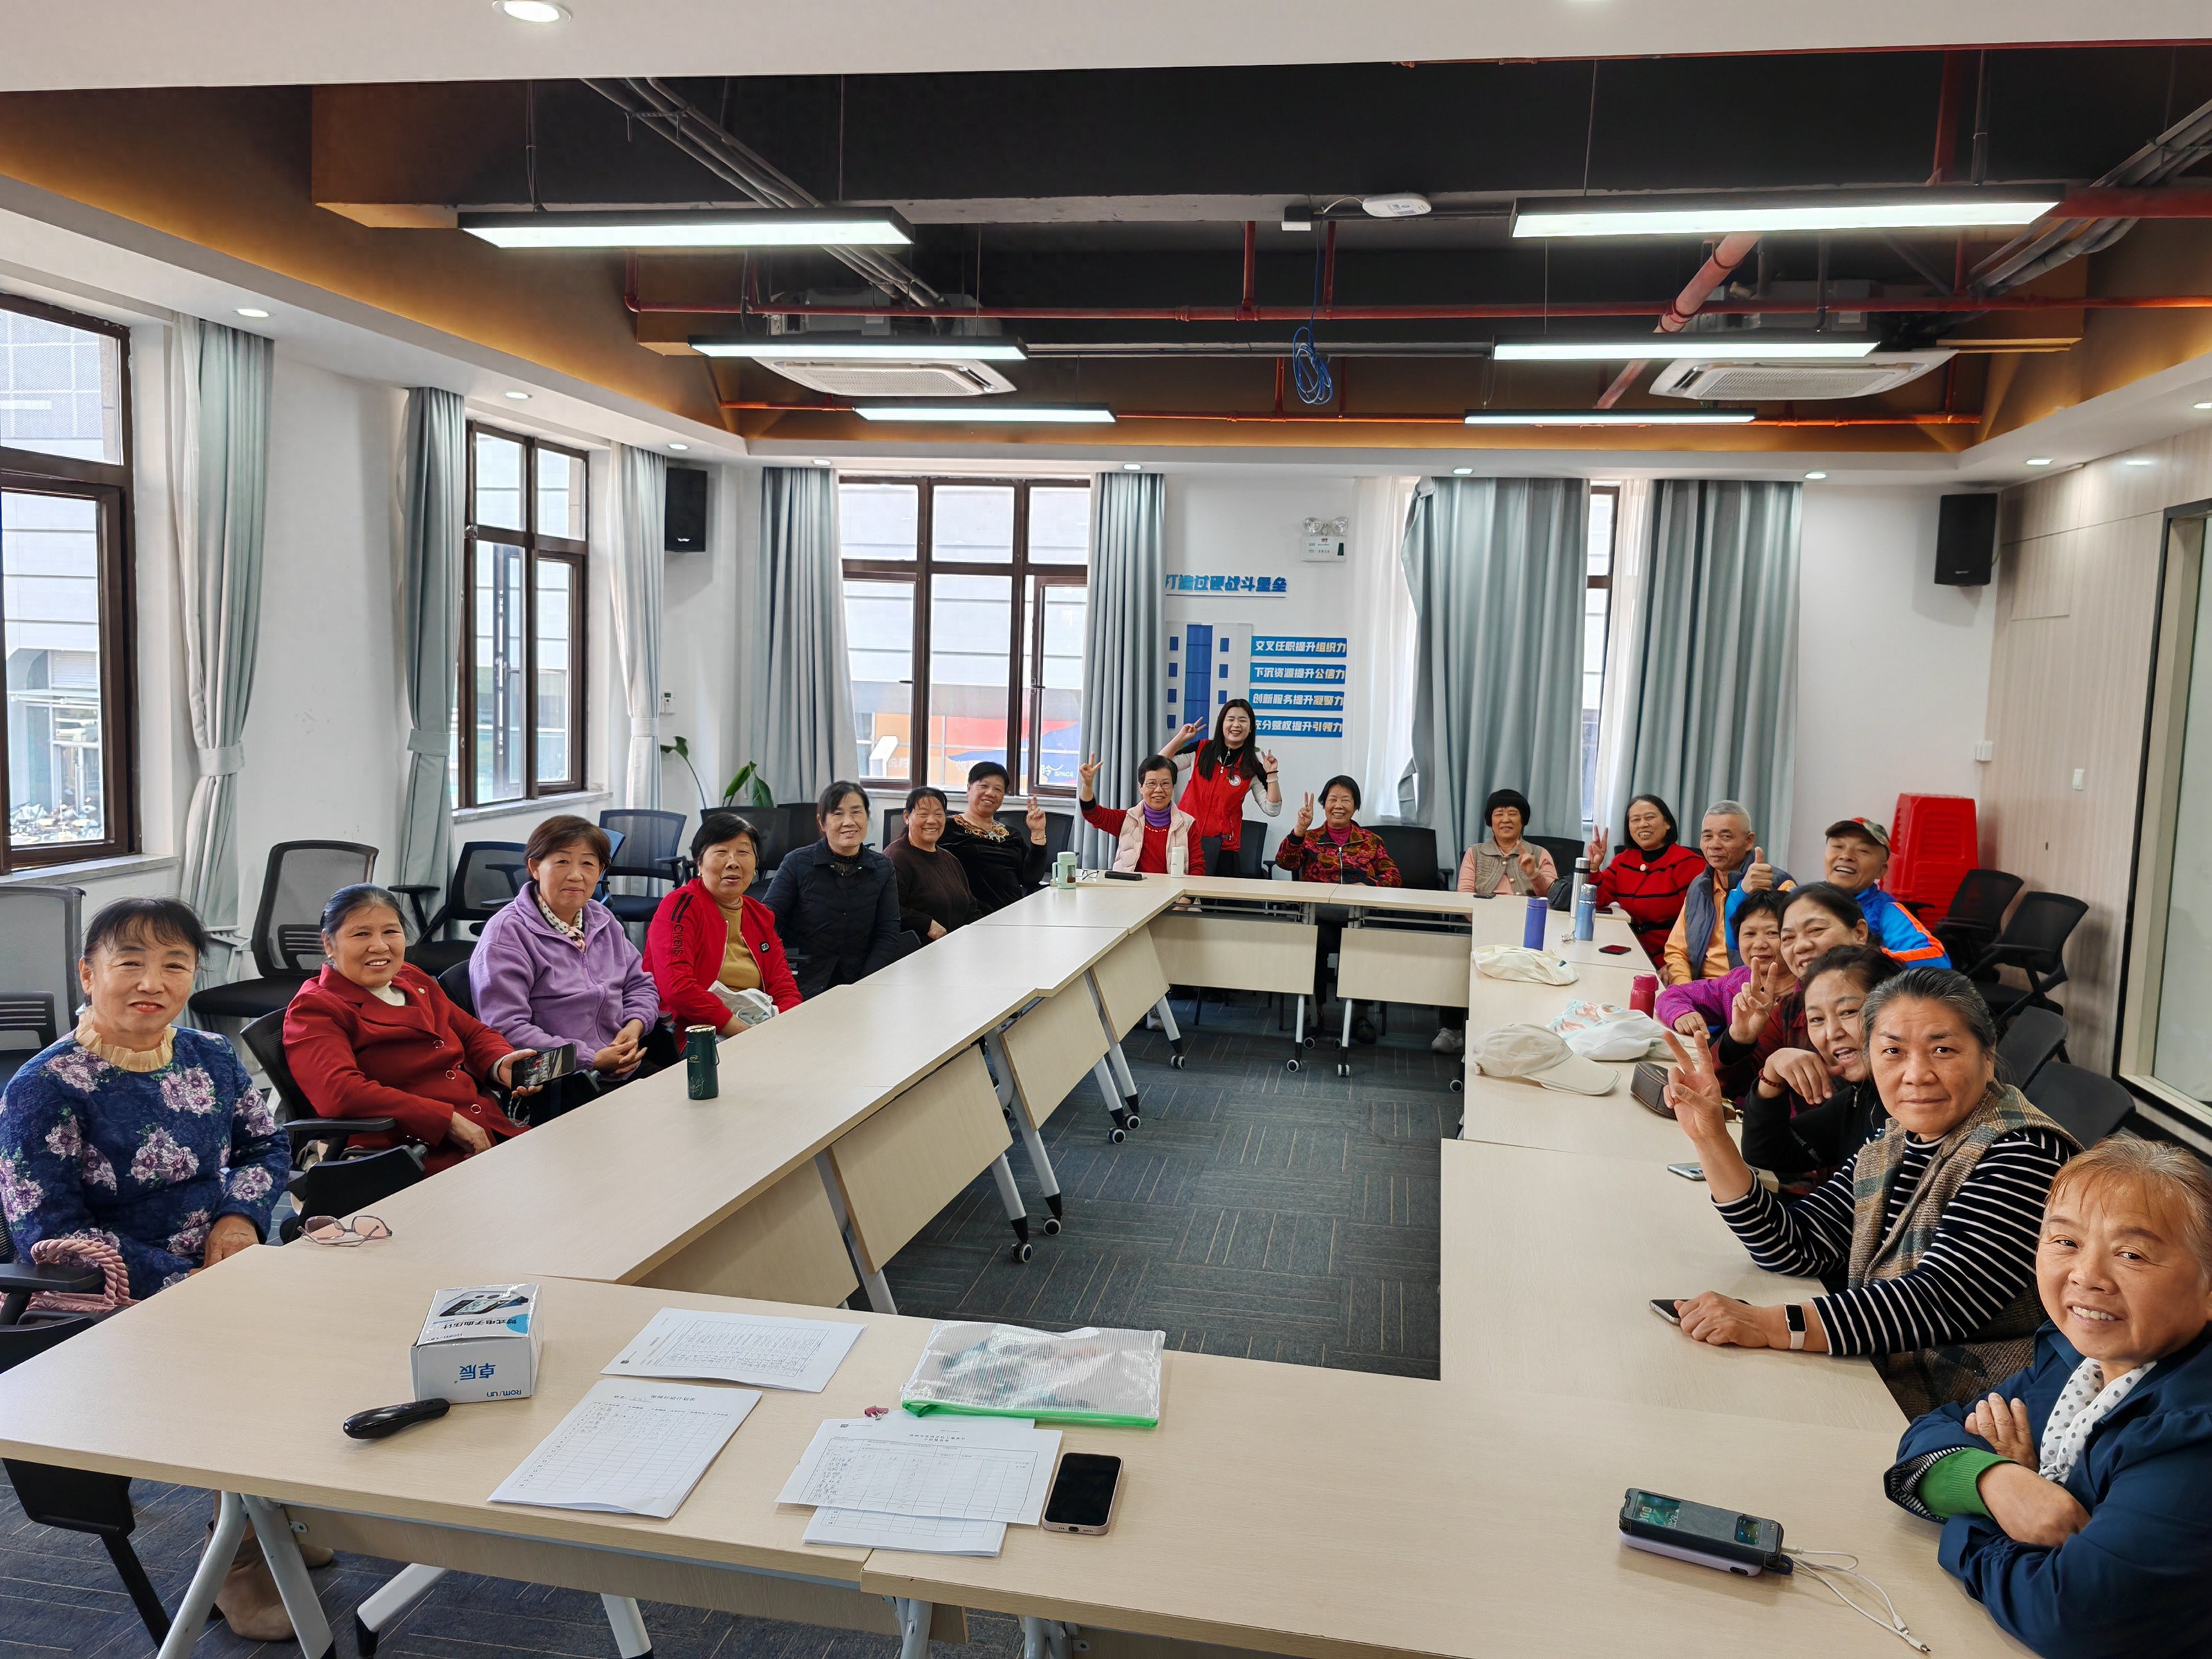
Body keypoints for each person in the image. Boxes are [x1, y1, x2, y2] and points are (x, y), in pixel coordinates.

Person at [0, 898, 298, 1636]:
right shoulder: (45, 1086)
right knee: (254, 1361)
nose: (152, 982)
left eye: (175, 965)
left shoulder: (211, 1054)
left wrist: (239, 1219)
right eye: (130, 962)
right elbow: (47, 1231)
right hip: (105, 1287)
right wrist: (182, 1281)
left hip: (224, 1262)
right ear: (88, 973)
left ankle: (270, 1519)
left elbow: (267, 1145)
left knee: (326, 1325)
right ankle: (236, 1560)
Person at [1661, 968, 2077, 1415]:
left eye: (1942, 1050)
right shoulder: (1897, 1137)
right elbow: (1795, 1246)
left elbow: (1936, 1302)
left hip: (1969, 1414)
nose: (1916, 1074)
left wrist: (1768, 1324)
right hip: (1879, 1378)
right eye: (1893, 1051)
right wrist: (1711, 1138)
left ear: (1987, 1055)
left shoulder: (2025, 1153)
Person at [1884, 1136, 2212, 1658]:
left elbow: (2072, 1615)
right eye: (2065, 1242)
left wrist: (1974, 1524)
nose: (2086, 1275)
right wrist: (2000, 1483)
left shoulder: (2193, 1432)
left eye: (2131, 1254)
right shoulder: (2074, 1358)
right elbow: (1930, 1434)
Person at [284, 885, 535, 1173]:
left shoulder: (411, 978)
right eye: (361, 934)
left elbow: (471, 1033)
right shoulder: (315, 1008)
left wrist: (499, 1063)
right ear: (329, 943)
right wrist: (445, 1120)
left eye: (390, 931)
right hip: (407, 1152)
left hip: (485, 1126)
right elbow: (340, 1092)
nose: (380, 946)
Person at [468, 814, 664, 1121]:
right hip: (559, 1082)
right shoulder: (507, 934)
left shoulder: (601, 919)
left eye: (588, 864)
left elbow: (640, 984)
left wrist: (635, 1026)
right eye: (562, 862)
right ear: (535, 867)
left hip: (624, 1064)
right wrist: (591, 1058)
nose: (576, 875)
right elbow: (506, 1028)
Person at [1736, 944, 1902, 1192]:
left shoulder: (1921, 1107)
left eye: (1848, 1012)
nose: (1831, 1033)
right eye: (1816, 1019)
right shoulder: (1858, 1098)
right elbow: (1766, 1154)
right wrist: (1771, 1075)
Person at [1273, 776, 1404, 1044]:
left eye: (1346, 800)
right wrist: (1299, 830)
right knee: (1313, 942)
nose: (1339, 805)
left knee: (1365, 943)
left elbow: (1393, 875)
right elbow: (1284, 862)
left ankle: (1360, 1016)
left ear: (1355, 806)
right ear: (1324, 805)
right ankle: (1316, 1013)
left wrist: (1367, 885)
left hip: (1358, 917)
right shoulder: (1310, 838)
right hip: (1319, 916)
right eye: (1333, 799)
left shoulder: (1371, 841)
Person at [646, 812, 803, 1034]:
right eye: (721, 852)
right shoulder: (681, 906)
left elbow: (784, 986)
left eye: (743, 852)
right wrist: (742, 1031)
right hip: (695, 1032)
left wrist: (784, 1026)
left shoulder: (760, 915)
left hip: (759, 1026)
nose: (733, 863)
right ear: (699, 864)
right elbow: (677, 987)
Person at [1712, 882, 1873, 1098]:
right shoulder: (1789, 1010)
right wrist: (1739, 1039)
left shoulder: (1896, 997)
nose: (1801, 946)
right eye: (1788, 938)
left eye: (1816, 930)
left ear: (1860, 932)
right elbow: (1729, 1087)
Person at [1738, 817, 1949, 968]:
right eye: (1838, 847)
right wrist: (1744, 890)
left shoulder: (1887, 911)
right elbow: (1736, 939)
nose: (1846, 856)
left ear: (1882, 870)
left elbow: (1936, 959)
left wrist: (1861, 959)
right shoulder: (1797, 898)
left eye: (1863, 850)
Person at [764, 780, 905, 997]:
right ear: (822, 822)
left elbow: (888, 933)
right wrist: (781, 976)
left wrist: (865, 984)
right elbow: (768, 923)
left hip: (863, 982)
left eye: (856, 812)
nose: (849, 822)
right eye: (838, 814)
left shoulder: (882, 867)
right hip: (803, 982)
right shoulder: (796, 863)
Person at [1660, 800, 1791, 984]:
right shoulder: (1699, 886)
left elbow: (1791, 955)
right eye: (1708, 836)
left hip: (1749, 990)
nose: (1714, 845)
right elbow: (1676, 951)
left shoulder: (1778, 884)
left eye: (1726, 837)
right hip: (1700, 988)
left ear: (1749, 841)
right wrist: (1685, 988)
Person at [1653, 888, 1793, 1039]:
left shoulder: (1808, 991)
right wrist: (1682, 1014)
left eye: (1772, 933)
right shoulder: (1736, 983)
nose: (1759, 944)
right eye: (1750, 934)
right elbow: (1672, 995)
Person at [1162, 698, 1283, 874]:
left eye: (1243, 720)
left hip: (1223, 849)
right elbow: (1159, 766)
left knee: (1217, 893)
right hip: (1184, 839)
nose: (1236, 725)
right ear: (1222, 724)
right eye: (1231, 719)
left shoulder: (1253, 767)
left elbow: (1272, 809)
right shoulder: (1201, 750)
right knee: (1179, 890)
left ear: (1250, 728)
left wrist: (1272, 774)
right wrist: (1180, 738)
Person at [1583, 794, 1706, 964]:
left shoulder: (1689, 863)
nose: (1642, 824)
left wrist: (1679, 964)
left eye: (1650, 817)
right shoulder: (1624, 860)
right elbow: (1598, 901)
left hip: (1669, 958)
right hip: (1628, 950)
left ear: (1668, 824)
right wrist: (1593, 869)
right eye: (1635, 820)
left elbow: (1701, 925)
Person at [941, 760, 1051, 914]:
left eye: (998, 789)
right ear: (969, 788)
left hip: (1012, 914)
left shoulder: (1011, 835)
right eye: (984, 786)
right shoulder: (947, 828)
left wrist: (1038, 833)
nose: (990, 793)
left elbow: (1030, 879)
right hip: (970, 917)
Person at [1078, 751, 1199, 874]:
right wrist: (1087, 785)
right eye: (1152, 784)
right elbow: (1093, 815)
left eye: (1166, 784)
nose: (1159, 790)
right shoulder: (1127, 819)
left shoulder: (1187, 824)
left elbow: (1197, 868)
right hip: (1129, 886)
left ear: (1173, 787)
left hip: (1172, 887)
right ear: (1141, 787)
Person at [886, 785, 977, 937]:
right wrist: (925, 924)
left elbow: (971, 908)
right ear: (907, 817)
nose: (932, 821)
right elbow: (888, 909)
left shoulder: (950, 859)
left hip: (958, 944)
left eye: (938, 814)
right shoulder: (896, 858)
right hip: (921, 948)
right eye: (923, 814)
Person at [1456, 787, 1556, 897]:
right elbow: (1464, 895)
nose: (1506, 820)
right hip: (1483, 908)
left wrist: (1534, 875)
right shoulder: (1474, 852)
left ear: (1523, 820)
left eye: (1512, 814)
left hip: (1526, 909)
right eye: (1499, 814)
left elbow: (1553, 896)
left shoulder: (1540, 853)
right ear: (1490, 821)